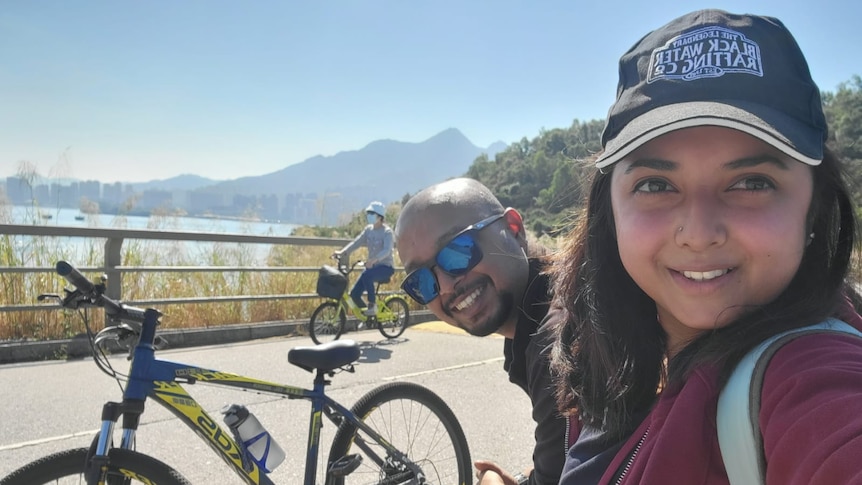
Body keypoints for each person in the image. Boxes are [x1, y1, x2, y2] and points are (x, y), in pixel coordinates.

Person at [548, 9, 862, 484]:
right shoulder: (615, 357)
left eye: (751, 182)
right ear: (608, 210)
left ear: (814, 209)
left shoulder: (812, 376)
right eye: (655, 185)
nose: (697, 232)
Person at [396, 178, 575, 485]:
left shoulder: (560, 338)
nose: (447, 286)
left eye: (458, 251)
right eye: (422, 280)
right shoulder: (551, 306)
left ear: (514, 229)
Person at [333, 201, 395, 316]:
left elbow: (387, 250)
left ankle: (372, 305)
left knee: (367, 275)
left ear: (379, 216)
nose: (369, 215)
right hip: (371, 267)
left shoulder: (387, 232)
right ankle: (369, 317)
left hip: (385, 267)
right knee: (354, 295)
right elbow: (356, 242)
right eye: (368, 213)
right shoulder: (368, 230)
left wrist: (374, 260)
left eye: (372, 213)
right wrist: (342, 252)